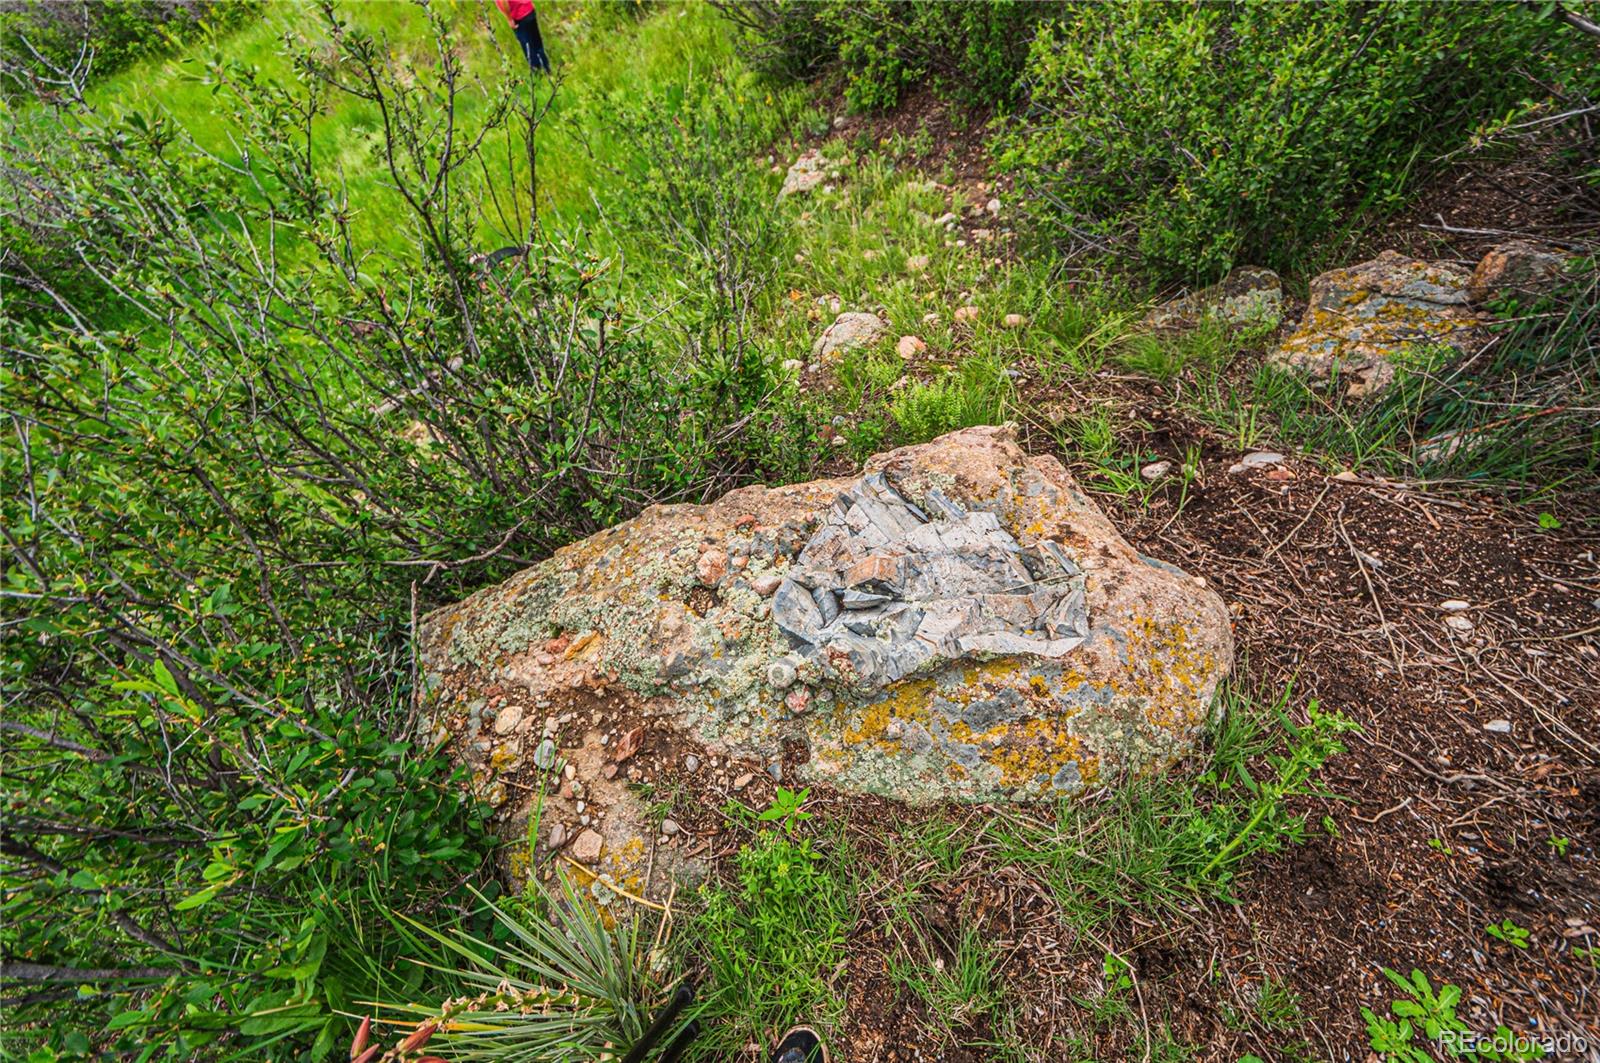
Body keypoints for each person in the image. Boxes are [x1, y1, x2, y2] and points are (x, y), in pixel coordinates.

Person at [494, 0, 550, 73]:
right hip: (529, 9)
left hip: (519, 16)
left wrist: (509, 19)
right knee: (537, 43)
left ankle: (538, 73)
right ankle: (547, 69)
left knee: (528, 47)